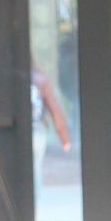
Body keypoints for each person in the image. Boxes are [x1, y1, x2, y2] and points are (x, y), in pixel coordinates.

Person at [31, 64, 71, 203]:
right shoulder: (40, 80)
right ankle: (33, 205)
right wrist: (64, 138)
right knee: (35, 170)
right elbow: (54, 109)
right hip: (37, 131)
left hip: (28, 131)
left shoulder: (10, 79)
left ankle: (25, 204)